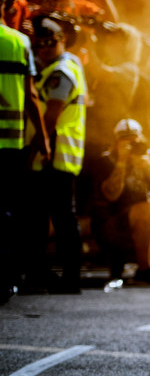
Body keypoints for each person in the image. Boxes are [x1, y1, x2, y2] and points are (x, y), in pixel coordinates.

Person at [22, 17, 87, 293]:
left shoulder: (62, 72)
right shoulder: (56, 67)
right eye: (41, 45)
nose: (45, 50)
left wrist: (32, 151)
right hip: (52, 156)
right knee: (41, 218)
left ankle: (70, 278)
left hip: (54, 156)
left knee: (61, 220)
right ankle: (40, 274)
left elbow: (51, 117)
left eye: (51, 44)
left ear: (61, 40)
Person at [88, 118, 150, 285]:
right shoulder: (105, 160)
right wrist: (122, 162)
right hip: (112, 225)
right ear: (116, 142)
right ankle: (144, 270)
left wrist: (148, 166)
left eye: (135, 140)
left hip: (143, 226)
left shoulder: (146, 158)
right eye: (127, 141)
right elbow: (111, 195)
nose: (132, 145)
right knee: (147, 209)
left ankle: (133, 260)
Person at [1, 20, 45, 302]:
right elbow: (30, 94)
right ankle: (5, 280)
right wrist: (42, 136)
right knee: (6, 213)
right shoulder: (18, 42)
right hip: (9, 144)